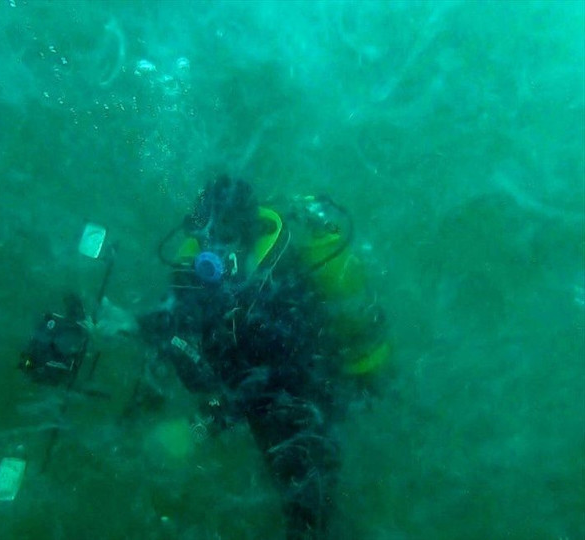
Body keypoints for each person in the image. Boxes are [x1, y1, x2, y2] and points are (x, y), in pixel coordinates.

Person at [21, 175, 390, 539]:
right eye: (203, 236)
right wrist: (130, 323)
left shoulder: (276, 289)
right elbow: (182, 314)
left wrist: (200, 426)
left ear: (243, 236)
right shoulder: (204, 262)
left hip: (305, 395)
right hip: (251, 382)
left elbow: (272, 379)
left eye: (221, 238)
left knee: (308, 508)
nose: (208, 248)